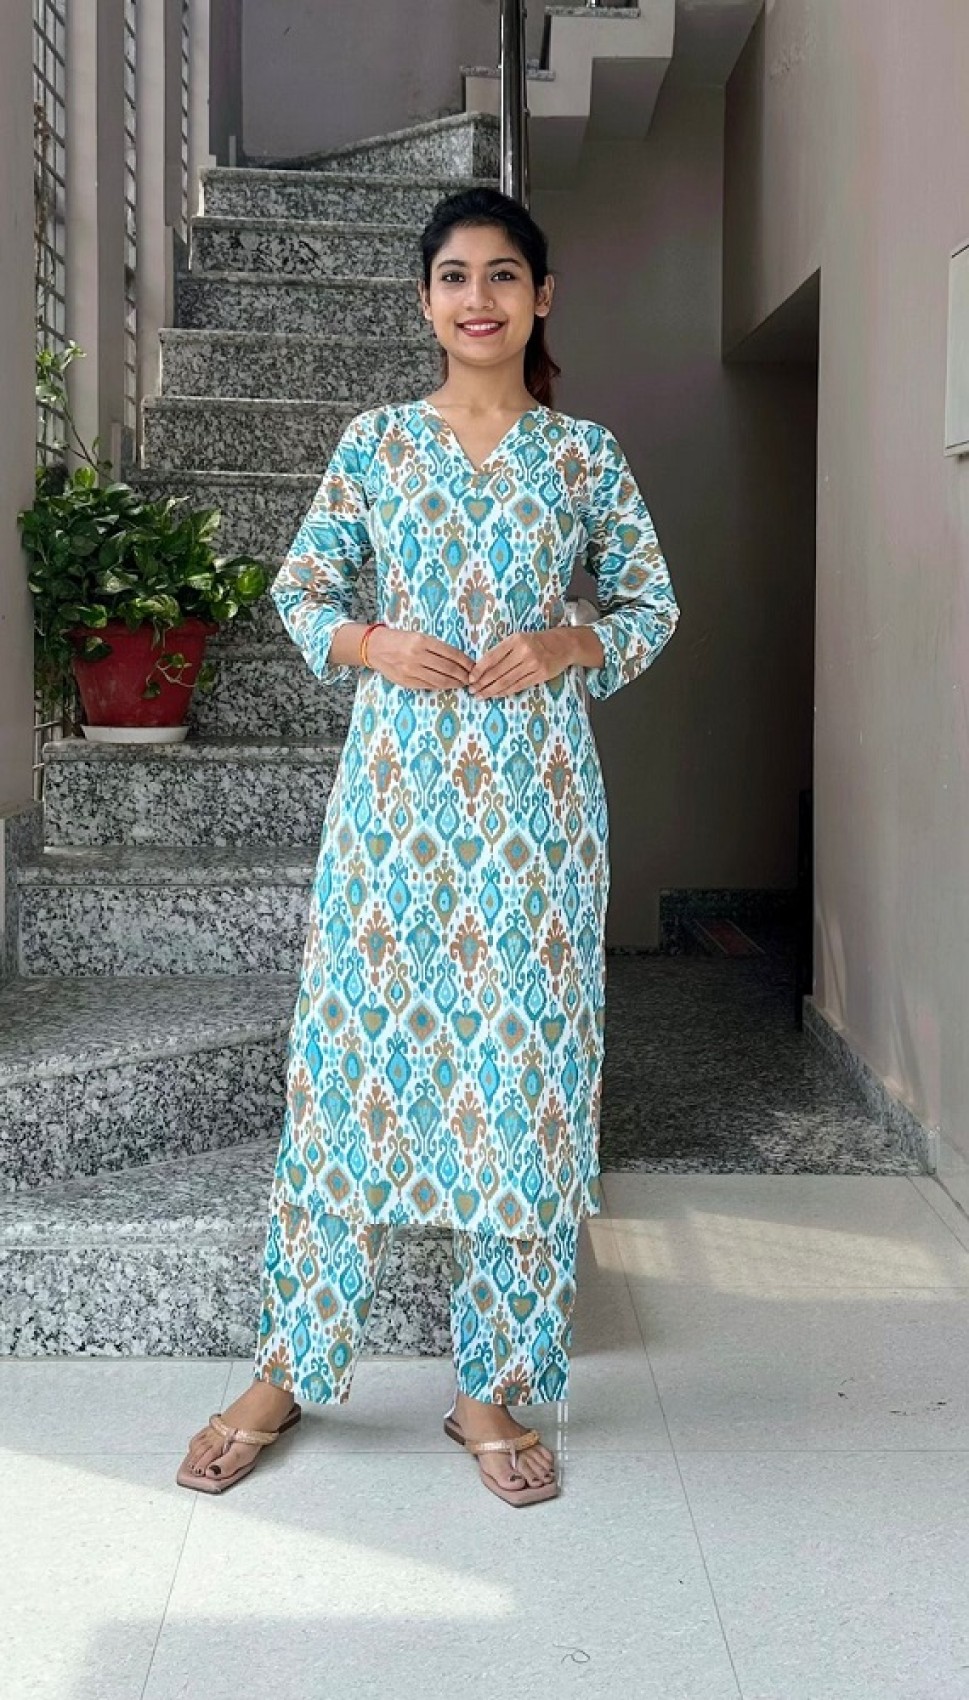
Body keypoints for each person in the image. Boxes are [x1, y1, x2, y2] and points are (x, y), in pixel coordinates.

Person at [178, 186, 680, 1508]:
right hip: (394, 814)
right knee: (347, 1075)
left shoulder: (585, 457)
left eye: (503, 275)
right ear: (424, 300)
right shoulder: (377, 444)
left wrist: (568, 640)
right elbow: (302, 588)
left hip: (537, 820)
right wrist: (373, 641)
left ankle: (490, 1391)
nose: (478, 298)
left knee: (525, 1083)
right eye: (454, 276)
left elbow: (649, 605)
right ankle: (286, 1369)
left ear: (541, 297)